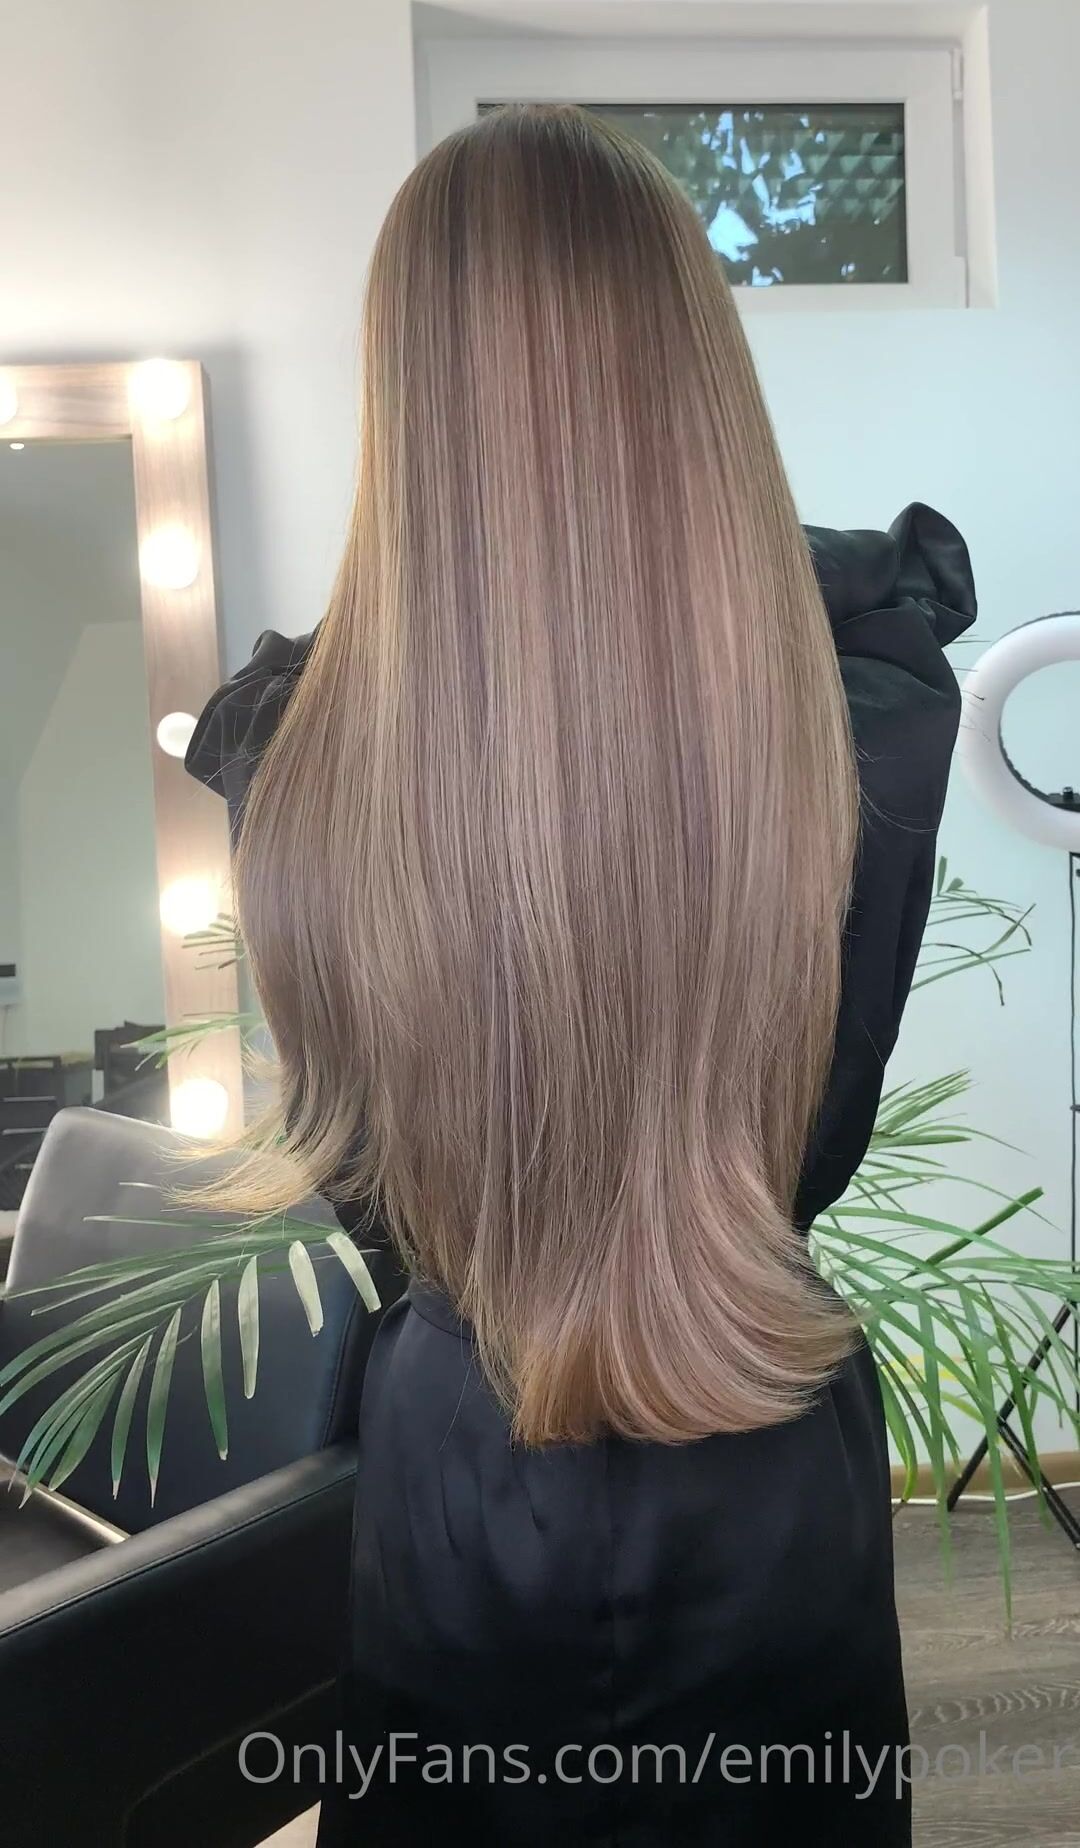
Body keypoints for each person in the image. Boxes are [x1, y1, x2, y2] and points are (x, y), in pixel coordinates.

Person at [187, 104, 975, 1846]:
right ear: (695, 373)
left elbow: (372, 1189)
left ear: (412, 398)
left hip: (460, 1462)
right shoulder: (865, 701)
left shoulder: (295, 755)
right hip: (758, 1424)